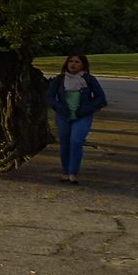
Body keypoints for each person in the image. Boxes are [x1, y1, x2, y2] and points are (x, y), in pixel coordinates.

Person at [45, 53, 109, 184]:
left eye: (77, 62)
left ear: (83, 65)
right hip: (64, 116)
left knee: (76, 141)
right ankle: (65, 171)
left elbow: (101, 99)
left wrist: (86, 109)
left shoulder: (89, 80)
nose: (73, 64)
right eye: (70, 61)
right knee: (65, 143)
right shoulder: (60, 79)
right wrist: (59, 107)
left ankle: (73, 172)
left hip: (82, 116)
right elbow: (49, 97)